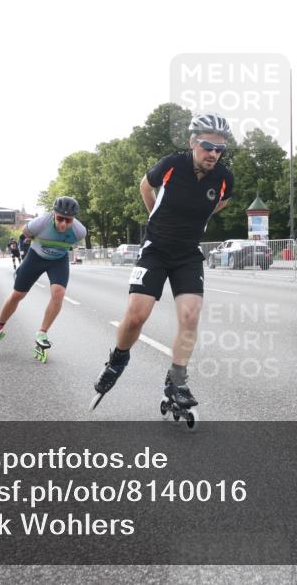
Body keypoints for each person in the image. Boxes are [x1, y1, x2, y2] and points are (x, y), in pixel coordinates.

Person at [91, 112, 234, 410]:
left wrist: (199, 218)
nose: (214, 153)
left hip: (188, 254)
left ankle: (177, 380)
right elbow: (146, 185)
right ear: (193, 142)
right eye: (208, 146)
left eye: (220, 149)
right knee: (136, 315)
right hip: (156, 249)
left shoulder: (224, 178)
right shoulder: (171, 165)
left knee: (190, 316)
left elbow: (223, 201)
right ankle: (118, 359)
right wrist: (155, 215)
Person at [0, 197, 87, 353]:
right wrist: (25, 254)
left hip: (58, 260)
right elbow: (25, 235)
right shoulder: (39, 223)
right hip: (35, 257)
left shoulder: (80, 231)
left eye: (68, 221)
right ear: (54, 214)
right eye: (60, 218)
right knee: (17, 295)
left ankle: (42, 333)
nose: (63, 224)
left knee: (59, 293)